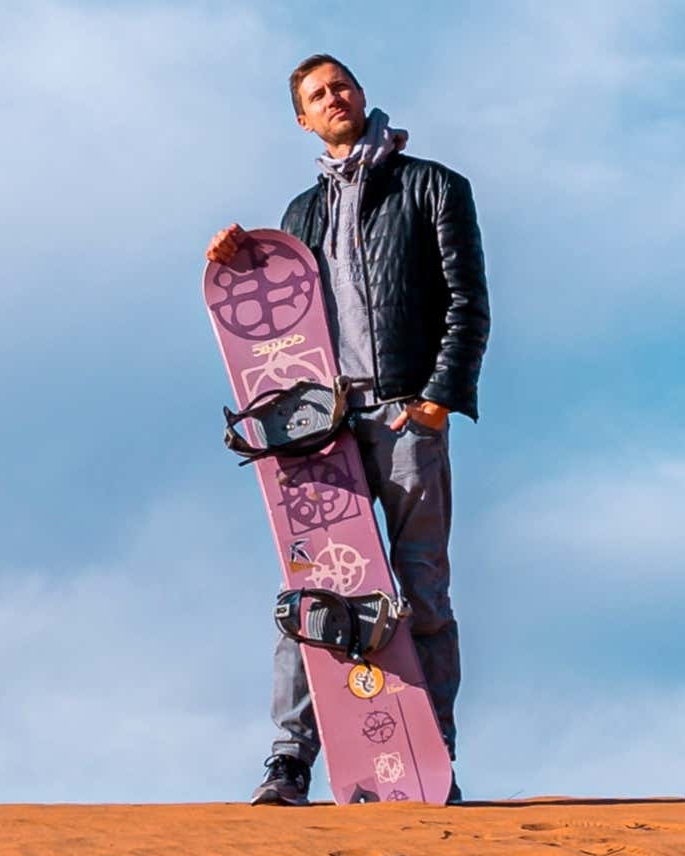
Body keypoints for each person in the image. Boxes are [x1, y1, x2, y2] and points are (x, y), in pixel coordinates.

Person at [206, 53, 487, 807]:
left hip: (403, 412)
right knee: (314, 586)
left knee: (422, 589)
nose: (332, 98)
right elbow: (274, 326)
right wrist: (239, 265)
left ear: (362, 95)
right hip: (320, 429)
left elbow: (466, 302)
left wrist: (435, 398)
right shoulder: (298, 216)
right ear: (302, 119)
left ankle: (433, 757)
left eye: (340, 85)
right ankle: (290, 760)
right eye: (315, 95)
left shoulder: (430, 186)